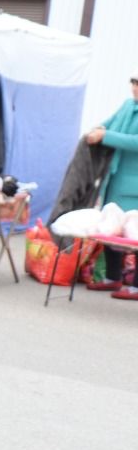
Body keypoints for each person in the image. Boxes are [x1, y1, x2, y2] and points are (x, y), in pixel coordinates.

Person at [85, 75, 138, 299]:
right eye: (134, 82)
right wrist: (98, 129)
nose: (134, 87)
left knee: (135, 233)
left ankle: (136, 286)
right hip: (115, 178)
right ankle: (112, 277)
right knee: (111, 225)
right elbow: (111, 121)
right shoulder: (128, 105)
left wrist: (105, 135)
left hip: (134, 183)